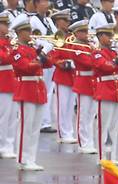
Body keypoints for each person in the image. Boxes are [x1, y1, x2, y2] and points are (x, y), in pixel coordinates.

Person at [11, 15, 54, 171]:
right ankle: (22, 158)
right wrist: (41, 55)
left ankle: (31, 158)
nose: (30, 33)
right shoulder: (16, 50)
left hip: (38, 88)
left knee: (35, 127)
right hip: (26, 88)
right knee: (25, 126)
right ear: (19, 32)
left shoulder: (31, 48)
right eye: (27, 30)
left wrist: (44, 49)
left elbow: (49, 63)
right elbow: (27, 66)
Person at [92, 24, 118, 163]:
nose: (111, 38)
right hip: (105, 89)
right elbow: (106, 67)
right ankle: (101, 156)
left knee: (114, 127)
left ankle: (112, 156)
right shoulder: (97, 53)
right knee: (103, 126)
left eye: (111, 35)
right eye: (108, 36)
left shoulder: (113, 52)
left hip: (116, 90)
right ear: (100, 36)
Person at [49, 9, 77, 144]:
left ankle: (69, 131)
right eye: (65, 20)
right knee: (62, 106)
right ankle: (62, 133)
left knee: (70, 106)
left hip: (73, 75)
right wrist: (65, 63)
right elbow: (53, 58)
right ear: (58, 21)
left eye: (68, 20)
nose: (68, 23)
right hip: (62, 74)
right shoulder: (55, 37)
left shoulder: (71, 36)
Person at [70, 19, 97, 154]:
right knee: (83, 114)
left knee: (91, 114)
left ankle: (90, 142)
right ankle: (83, 143)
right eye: (82, 32)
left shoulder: (90, 45)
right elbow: (88, 62)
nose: (86, 34)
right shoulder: (76, 47)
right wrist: (96, 54)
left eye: (86, 31)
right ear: (76, 33)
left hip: (92, 81)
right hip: (83, 80)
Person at [30, 0, 57, 134]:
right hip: (42, 55)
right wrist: (46, 46)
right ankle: (43, 122)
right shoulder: (33, 20)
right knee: (44, 89)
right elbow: (34, 39)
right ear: (37, 4)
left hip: (50, 57)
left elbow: (55, 36)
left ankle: (45, 120)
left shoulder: (48, 20)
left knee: (49, 90)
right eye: (44, 1)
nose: (47, 3)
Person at [0, 12, 17, 159]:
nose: (7, 27)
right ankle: (2, 146)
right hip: (2, 81)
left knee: (13, 117)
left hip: (12, 80)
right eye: (4, 24)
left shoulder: (9, 42)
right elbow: (4, 58)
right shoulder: (4, 43)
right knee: (3, 116)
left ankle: (9, 145)